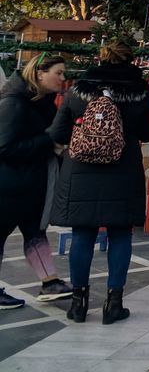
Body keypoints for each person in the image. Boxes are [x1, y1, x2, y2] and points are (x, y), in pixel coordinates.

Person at [50, 41, 149, 324]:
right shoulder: (141, 91)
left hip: (81, 169)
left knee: (82, 235)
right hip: (123, 170)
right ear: (131, 60)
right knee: (121, 235)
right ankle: (114, 304)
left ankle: (78, 303)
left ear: (101, 58)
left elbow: (59, 132)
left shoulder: (79, 89)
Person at [0, 53, 75, 309]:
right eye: (59, 73)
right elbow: (5, 147)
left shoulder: (42, 101)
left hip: (31, 183)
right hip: (8, 186)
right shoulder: (13, 103)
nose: (63, 79)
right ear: (39, 73)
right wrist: (48, 143)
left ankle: (50, 282)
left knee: (35, 232)